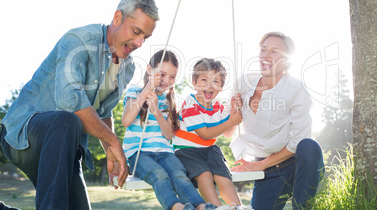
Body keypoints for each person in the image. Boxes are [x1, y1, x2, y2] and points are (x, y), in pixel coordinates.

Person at [0, 0, 159, 209]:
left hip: (64, 149)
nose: (140, 43)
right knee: (67, 120)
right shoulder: (79, 40)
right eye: (136, 31)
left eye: (146, 37)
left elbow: (103, 112)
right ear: (117, 18)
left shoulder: (127, 67)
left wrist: (109, 149)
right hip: (23, 136)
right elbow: (70, 102)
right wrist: (113, 140)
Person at [229, 32, 325, 210]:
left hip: (296, 163)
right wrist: (232, 115)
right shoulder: (243, 83)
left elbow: (297, 142)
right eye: (263, 50)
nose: (265, 55)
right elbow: (228, 131)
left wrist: (258, 165)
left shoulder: (296, 90)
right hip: (268, 170)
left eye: (274, 51)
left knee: (309, 146)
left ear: (287, 61)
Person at [122, 50, 216, 210]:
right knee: (160, 175)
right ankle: (178, 208)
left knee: (180, 175)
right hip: (138, 154)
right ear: (149, 70)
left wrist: (157, 112)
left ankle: (201, 206)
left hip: (165, 152)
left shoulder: (169, 100)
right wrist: (147, 90)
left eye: (172, 77)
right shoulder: (135, 92)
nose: (167, 81)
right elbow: (126, 120)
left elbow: (168, 134)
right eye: (162, 75)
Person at [173, 58, 244, 208]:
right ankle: (216, 207)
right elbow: (205, 134)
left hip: (209, 150)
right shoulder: (190, 103)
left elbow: (228, 133)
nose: (209, 85)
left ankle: (237, 206)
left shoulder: (218, 107)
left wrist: (234, 111)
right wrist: (231, 122)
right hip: (187, 151)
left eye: (215, 81)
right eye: (204, 79)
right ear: (194, 83)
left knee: (223, 175)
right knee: (204, 175)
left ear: (221, 87)